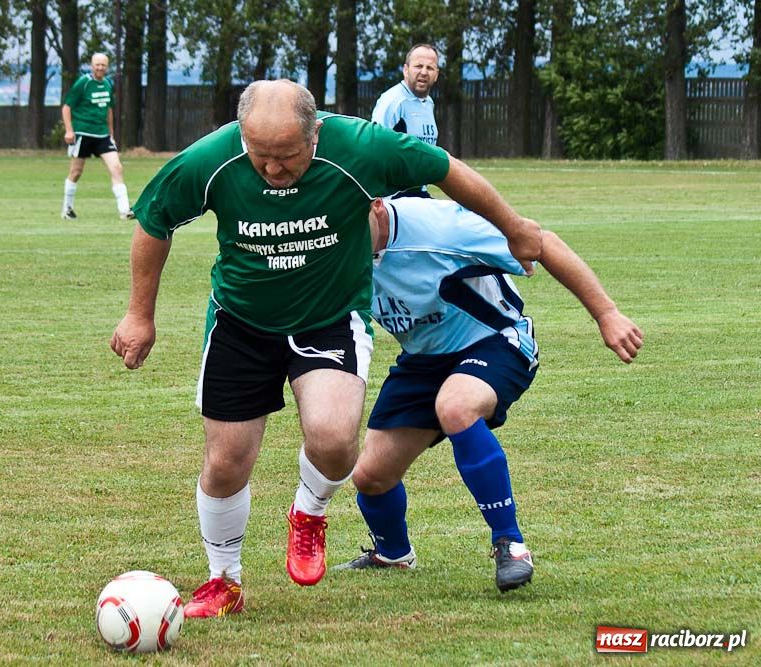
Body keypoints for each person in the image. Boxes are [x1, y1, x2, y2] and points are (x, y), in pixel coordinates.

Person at [110, 79, 542, 617]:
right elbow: (155, 219)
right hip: (240, 323)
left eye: (287, 156)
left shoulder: (359, 147)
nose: (271, 169)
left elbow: (446, 170)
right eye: (259, 155)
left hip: (330, 319)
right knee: (226, 462)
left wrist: (514, 225)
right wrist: (139, 314)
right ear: (242, 135)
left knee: (336, 442)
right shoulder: (212, 159)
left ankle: (309, 513)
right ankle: (224, 582)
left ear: (314, 133)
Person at [332, 196, 643, 592]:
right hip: (424, 360)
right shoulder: (335, 252)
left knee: (456, 406)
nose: (344, 245)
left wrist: (607, 314)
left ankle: (510, 544)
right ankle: (393, 554)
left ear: (376, 207)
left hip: (497, 342)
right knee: (372, 476)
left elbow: (542, 243)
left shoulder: (440, 229)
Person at [60, 53, 135, 221]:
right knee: (76, 172)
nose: (100, 68)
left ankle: (125, 210)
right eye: (97, 64)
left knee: (116, 168)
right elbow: (67, 107)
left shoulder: (108, 84)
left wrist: (111, 134)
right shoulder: (83, 83)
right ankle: (67, 208)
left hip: (102, 135)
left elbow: (109, 110)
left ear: (107, 67)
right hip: (83, 133)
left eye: (103, 65)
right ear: (91, 65)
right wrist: (69, 130)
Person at [371, 44, 441, 147]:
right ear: (406, 70)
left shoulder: (429, 102)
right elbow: (375, 144)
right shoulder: (393, 101)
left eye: (430, 68)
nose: (424, 72)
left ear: (436, 75)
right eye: (419, 66)